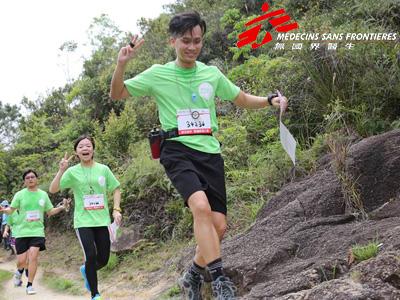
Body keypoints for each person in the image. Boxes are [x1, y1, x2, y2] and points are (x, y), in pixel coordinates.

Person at [110, 10, 288, 300]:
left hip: (209, 151)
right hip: (177, 149)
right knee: (201, 208)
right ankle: (219, 282)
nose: (192, 47)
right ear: (173, 42)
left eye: (197, 41)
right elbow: (117, 94)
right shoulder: (158, 73)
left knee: (219, 226)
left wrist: (270, 100)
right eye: (185, 41)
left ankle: (191, 276)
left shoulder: (211, 73)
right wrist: (121, 65)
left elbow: (240, 98)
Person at [49, 135, 122, 300]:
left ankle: (86, 270)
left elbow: (116, 189)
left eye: (88, 145)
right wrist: (61, 170)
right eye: (81, 146)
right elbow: (53, 189)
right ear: (76, 152)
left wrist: (116, 209)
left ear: (93, 149)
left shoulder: (103, 169)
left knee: (103, 259)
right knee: (90, 255)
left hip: (102, 220)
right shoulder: (72, 172)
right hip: (83, 221)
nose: (85, 148)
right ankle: (95, 294)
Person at [0, 169, 70, 295]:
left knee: (33, 256)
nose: (30, 179)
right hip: (21, 232)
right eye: (27, 178)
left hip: (37, 231)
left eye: (32, 177)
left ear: (37, 179)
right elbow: (11, 210)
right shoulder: (20, 194)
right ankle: (19, 271)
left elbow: (49, 211)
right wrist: (3, 211)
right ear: (24, 181)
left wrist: (60, 207)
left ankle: (30, 285)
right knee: (22, 261)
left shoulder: (43, 195)